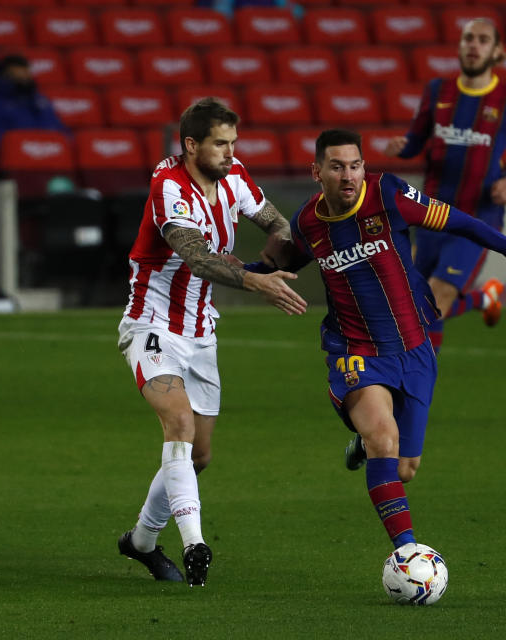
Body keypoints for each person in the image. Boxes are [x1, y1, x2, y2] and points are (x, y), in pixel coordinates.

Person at [249, 128, 506, 551]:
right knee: (384, 436)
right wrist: (233, 270)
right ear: (317, 172)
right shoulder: (308, 223)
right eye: (337, 167)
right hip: (355, 349)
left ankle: (364, 446)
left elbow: (463, 223)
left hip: (414, 344)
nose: (348, 176)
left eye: (355, 165)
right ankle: (407, 555)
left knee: (404, 467)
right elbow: (286, 261)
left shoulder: (388, 195)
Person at [116, 98, 307, 587]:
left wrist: (284, 243)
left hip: (201, 330)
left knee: (197, 456)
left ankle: (139, 542)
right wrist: (257, 281)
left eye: (233, 142)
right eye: (221, 143)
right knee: (177, 422)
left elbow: (276, 222)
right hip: (152, 322)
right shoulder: (169, 189)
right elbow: (197, 258)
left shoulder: (234, 175)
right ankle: (195, 543)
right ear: (191, 146)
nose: (230, 151)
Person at [384, 18, 506, 352]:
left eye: (483, 40)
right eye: (468, 38)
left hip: (478, 217)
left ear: (497, 51)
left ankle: (417, 391)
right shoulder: (437, 91)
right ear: (459, 46)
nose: (473, 45)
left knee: (436, 299)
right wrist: (403, 147)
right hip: (431, 214)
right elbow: (416, 140)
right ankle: (484, 299)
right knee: (413, 306)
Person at [0, 55, 69, 157]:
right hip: (17, 161)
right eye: (18, 76)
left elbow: (61, 131)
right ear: (4, 76)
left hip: (53, 157)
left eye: (27, 74)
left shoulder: (41, 101)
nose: (25, 78)